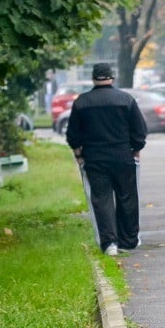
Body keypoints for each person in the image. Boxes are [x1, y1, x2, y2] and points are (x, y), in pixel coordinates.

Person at [66, 63, 147, 257]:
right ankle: (128, 240)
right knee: (127, 196)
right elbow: (139, 130)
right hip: (123, 156)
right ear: (112, 77)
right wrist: (136, 149)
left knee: (102, 199)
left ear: (93, 79)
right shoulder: (126, 100)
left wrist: (79, 154)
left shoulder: (82, 102)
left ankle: (109, 242)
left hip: (94, 159)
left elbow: (73, 134)